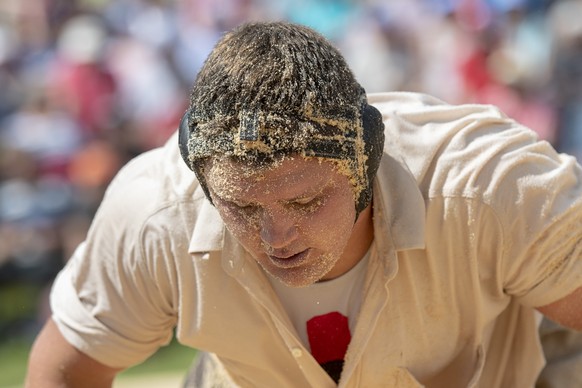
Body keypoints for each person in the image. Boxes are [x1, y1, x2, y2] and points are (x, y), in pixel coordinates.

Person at [25, 21, 582, 388]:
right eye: (242, 209)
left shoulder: (487, 187)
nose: (277, 237)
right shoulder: (154, 213)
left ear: (366, 163)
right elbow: (64, 373)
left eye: (307, 199)